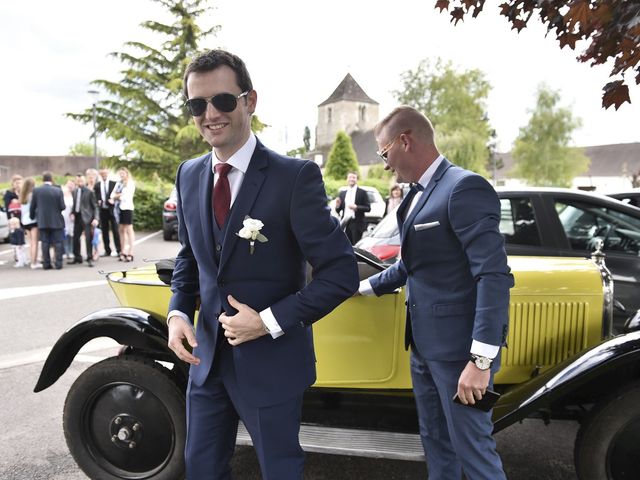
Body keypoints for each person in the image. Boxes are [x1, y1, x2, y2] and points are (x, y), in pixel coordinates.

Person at [167, 49, 359, 480]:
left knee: (280, 471)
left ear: (250, 101)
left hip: (272, 365)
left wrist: (268, 321)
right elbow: (189, 256)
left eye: (222, 101)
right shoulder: (189, 173)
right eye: (197, 105)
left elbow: (341, 274)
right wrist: (179, 311)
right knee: (200, 470)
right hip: (206, 361)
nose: (209, 114)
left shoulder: (295, 178)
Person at [359, 106, 514, 480]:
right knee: (435, 442)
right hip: (424, 347)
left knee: (473, 450)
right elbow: (412, 265)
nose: (384, 165)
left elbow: (493, 276)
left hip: (460, 356)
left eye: (383, 153)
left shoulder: (464, 187)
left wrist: (479, 363)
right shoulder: (416, 196)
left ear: (405, 141)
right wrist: (362, 286)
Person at [30, 171, 66, 270]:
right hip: (56, 220)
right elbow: (62, 206)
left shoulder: (37, 190)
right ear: (52, 179)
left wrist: (32, 216)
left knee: (45, 242)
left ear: (43, 179)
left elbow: (33, 206)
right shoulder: (58, 190)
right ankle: (58, 263)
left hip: (43, 221)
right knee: (58, 242)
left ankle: (46, 264)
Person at [69, 174, 99, 267]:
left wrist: (96, 218)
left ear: (84, 181)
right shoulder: (74, 191)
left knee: (88, 239)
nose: (79, 182)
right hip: (77, 217)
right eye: (78, 181)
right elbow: (75, 204)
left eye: (81, 181)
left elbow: (95, 206)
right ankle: (77, 257)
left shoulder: (89, 192)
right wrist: (72, 213)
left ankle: (89, 258)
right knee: (75, 238)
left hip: (87, 218)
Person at [334, 172, 371, 244]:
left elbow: (368, 208)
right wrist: (337, 206)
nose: (352, 179)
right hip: (345, 223)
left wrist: (357, 207)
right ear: (347, 179)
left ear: (357, 179)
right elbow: (338, 210)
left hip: (357, 223)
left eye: (354, 177)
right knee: (346, 245)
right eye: (350, 177)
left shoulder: (362, 192)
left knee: (356, 246)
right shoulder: (343, 193)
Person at [110, 167, 135, 262]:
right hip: (119, 209)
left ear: (127, 174)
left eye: (123, 174)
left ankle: (131, 252)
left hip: (127, 208)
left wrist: (117, 195)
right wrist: (117, 195)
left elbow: (126, 197)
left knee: (129, 229)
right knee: (121, 230)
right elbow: (112, 195)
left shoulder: (130, 183)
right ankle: (123, 251)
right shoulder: (119, 183)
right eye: (120, 174)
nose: (121, 175)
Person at [95, 168, 121, 257]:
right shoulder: (97, 185)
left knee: (115, 230)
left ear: (108, 173)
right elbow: (95, 196)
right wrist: (97, 201)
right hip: (102, 210)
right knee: (105, 231)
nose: (104, 175)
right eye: (102, 174)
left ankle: (119, 250)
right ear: (100, 175)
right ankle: (107, 250)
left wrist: (113, 200)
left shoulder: (113, 184)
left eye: (105, 173)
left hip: (112, 209)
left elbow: (119, 194)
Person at [19, 177, 40, 268]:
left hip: (25, 221)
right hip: (33, 220)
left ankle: (32, 260)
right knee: (35, 242)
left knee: (31, 242)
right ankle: (34, 262)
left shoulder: (22, 195)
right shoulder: (32, 195)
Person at [61, 179, 75, 259]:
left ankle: (71, 251)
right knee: (64, 234)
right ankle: (65, 252)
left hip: (72, 218)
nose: (70, 186)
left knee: (72, 235)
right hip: (64, 217)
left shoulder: (74, 194)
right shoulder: (62, 194)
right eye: (69, 184)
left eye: (72, 184)